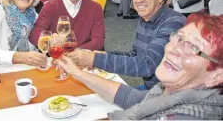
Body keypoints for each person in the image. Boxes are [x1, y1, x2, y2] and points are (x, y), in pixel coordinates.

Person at [57, 13, 223, 120]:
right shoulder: (171, 92)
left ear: (216, 76)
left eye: (193, 47)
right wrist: (77, 73)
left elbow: (146, 64)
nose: (173, 48)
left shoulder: (181, 116)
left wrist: (94, 59)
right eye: (179, 37)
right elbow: (134, 98)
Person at [66, 0, 186, 90]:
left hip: (170, 94)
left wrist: (94, 59)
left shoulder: (174, 22)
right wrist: (103, 55)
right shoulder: (146, 18)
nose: (138, 0)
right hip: (153, 88)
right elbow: (135, 55)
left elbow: (147, 65)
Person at [0, 0, 47, 67]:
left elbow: (36, 49)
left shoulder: (34, 16)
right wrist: (19, 57)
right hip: (0, 75)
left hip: (27, 74)